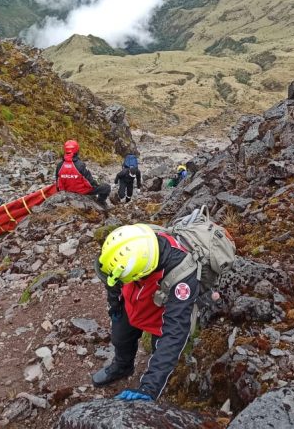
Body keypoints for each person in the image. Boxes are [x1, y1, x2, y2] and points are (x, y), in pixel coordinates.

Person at [92, 224, 198, 401]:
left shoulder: (182, 277)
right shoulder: (127, 247)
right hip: (131, 303)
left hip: (160, 317)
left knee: (160, 350)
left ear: (141, 273)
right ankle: (123, 366)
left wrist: (150, 387)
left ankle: (160, 385)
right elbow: (111, 280)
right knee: (120, 338)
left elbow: (174, 333)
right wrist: (115, 306)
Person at [55, 139, 111, 205]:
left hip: (67, 191)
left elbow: (58, 183)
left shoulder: (59, 165)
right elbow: (90, 182)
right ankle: (100, 202)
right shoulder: (80, 165)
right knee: (106, 187)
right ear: (77, 150)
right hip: (81, 191)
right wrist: (96, 185)